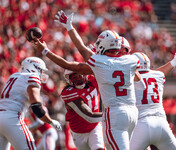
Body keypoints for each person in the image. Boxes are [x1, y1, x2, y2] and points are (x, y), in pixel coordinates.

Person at [44, 10, 146, 150]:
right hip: (133, 113)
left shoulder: (100, 63)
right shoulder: (131, 60)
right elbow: (140, 82)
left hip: (115, 113)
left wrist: (69, 27)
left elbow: (81, 49)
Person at [30, 40, 105, 149]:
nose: (78, 79)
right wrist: (109, 115)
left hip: (95, 127)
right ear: (69, 80)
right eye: (74, 77)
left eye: (78, 75)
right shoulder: (69, 93)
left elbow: (99, 66)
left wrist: (96, 53)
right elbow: (88, 115)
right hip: (79, 132)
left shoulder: (94, 80)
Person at [0, 57, 62, 150]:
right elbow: (37, 107)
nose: (41, 74)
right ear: (33, 67)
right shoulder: (32, 77)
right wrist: (51, 121)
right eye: (40, 70)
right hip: (12, 118)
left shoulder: (13, 76)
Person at [130, 52, 176, 150]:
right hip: (161, 123)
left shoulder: (129, 78)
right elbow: (159, 72)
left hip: (141, 124)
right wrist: (173, 62)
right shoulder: (158, 75)